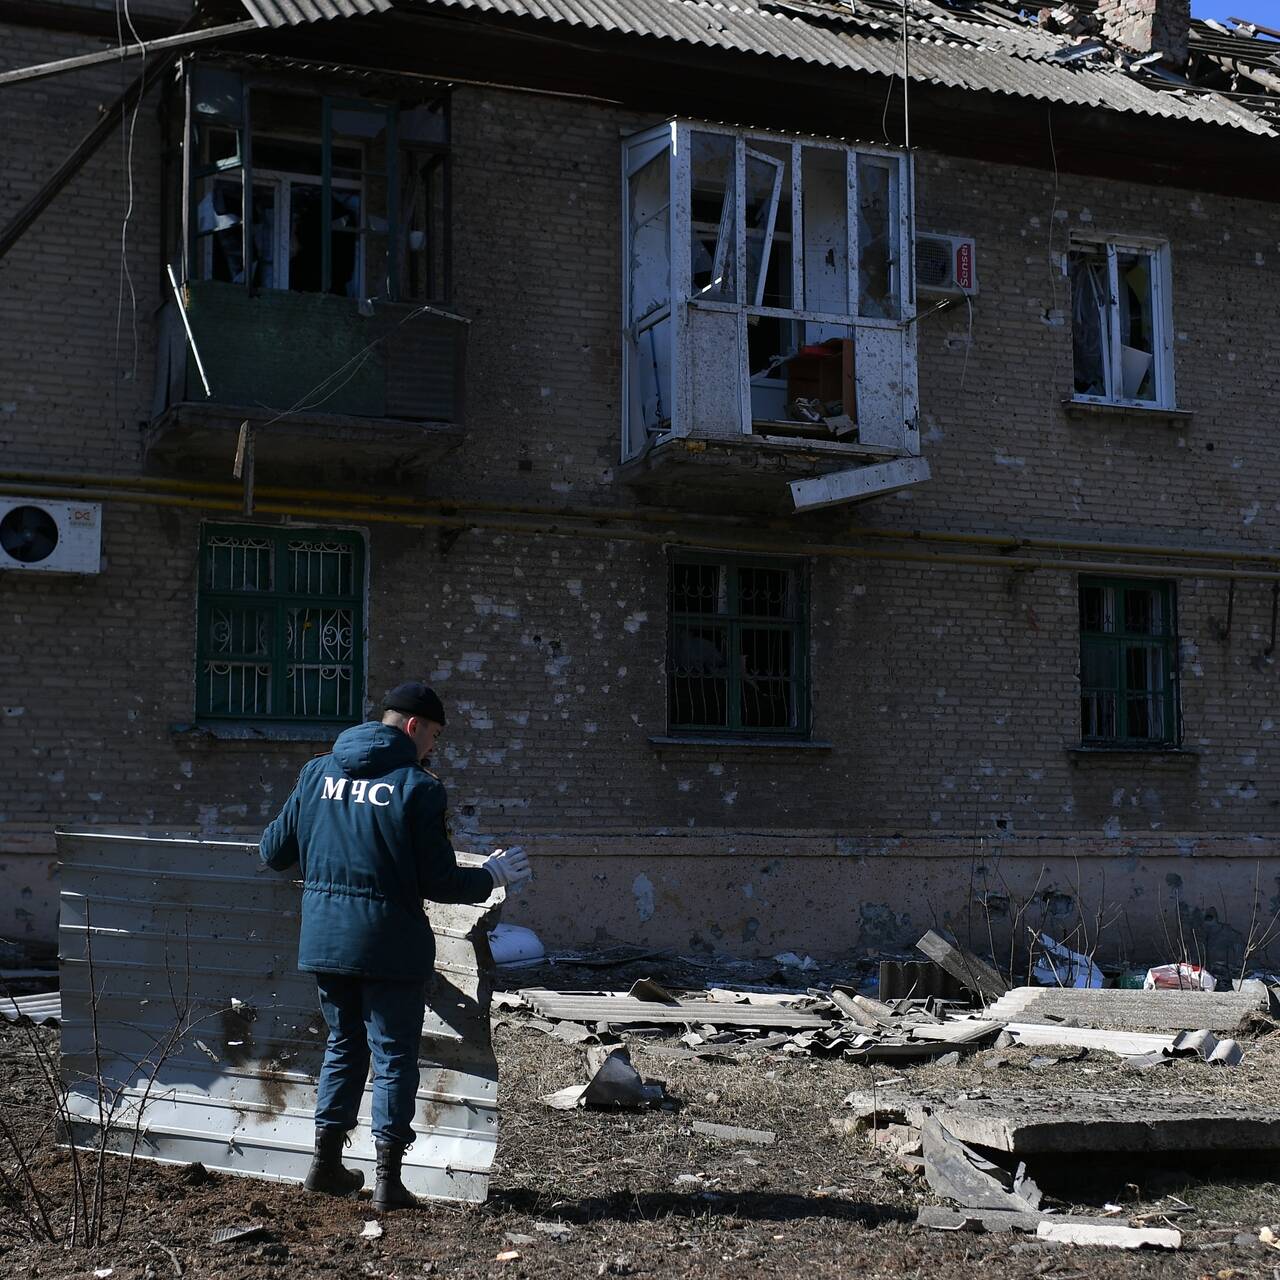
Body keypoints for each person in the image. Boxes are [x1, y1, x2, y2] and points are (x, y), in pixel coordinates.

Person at [259, 681, 531, 1210]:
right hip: (391, 945)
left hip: (324, 941)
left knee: (342, 1046)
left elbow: (273, 852)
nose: (433, 749)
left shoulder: (317, 773)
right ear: (412, 727)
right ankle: (387, 1180)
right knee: (393, 1056)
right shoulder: (418, 788)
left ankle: (325, 1163)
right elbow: (440, 881)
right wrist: (491, 876)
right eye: (433, 737)